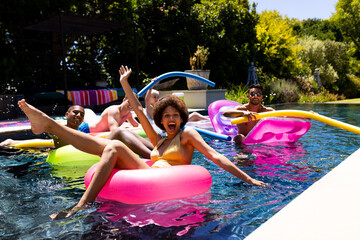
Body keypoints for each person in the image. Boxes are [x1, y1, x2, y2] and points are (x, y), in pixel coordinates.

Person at [17, 65, 267, 220]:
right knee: (106, 146)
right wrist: (125, 83)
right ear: (161, 119)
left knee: (113, 146)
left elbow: (216, 156)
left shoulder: (187, 136)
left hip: (162, 176)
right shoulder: (158, 139)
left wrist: (248, 178)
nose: (171, 119)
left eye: (175, 116)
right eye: (166, 115)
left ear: (181, 119)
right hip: (148, 170)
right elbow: (137, 107)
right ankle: (49, 125)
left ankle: (81, 205)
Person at [0, 105, 88, 148]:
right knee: (59, 132)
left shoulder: (83, 135)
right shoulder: (60, 128)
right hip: (60, 144)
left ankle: (43, 123)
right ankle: (43, 123)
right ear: (67, 114)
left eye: (82, 114)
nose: (79, 115)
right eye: (75, 112)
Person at [144, 84, 209, 123]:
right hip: (165, 124)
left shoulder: (157, 107)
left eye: (157, 97)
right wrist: (150, 88)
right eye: (154, 97)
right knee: (195, 115)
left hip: (169, 122)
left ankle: (210, 121)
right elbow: (146, 100)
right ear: (149, 98)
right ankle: (212, 122)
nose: (156, 99)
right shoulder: (150, 108)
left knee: (194, 116)